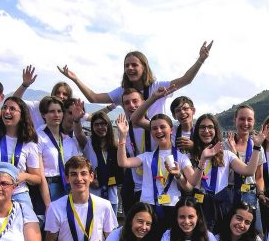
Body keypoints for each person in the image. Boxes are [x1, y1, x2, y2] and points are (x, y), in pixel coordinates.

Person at [58, 43, 212, 117]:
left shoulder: (158, 87)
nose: (130, 68)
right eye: (126, 66)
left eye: (134, 65)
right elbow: (94, 97)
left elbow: (186, 80)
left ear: (144, 67)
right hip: (135, 143)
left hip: (157, 137)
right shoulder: (123, 92)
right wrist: (76, 79)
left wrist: (200, 60)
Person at [116, 113, 195, 231]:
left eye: (162, 127)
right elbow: (123, 162)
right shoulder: (146, 157)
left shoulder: (182, 158)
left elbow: (190, 187)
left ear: (171, 129)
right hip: (148, 207)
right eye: (154, 128)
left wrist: (179, 175)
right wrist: (122, 136)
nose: (158, 131)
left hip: (171, 207)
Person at [188, 114, 264, 231]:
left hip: (223, 206)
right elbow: (194, 182)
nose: (206, 131)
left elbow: (249, 171)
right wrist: (203, 158)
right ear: (197, 130)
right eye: (202, 127)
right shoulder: (190, 156)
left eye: (210, 127)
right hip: (201, 205)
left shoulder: (227, 155)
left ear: (216, 130)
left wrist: (257, 146)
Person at [227, 105, 267, 233]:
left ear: (254, 121)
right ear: (235, 120)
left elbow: (259, 177)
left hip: (250, 194)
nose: (245, 123)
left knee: (255, 232)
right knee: (229, 230)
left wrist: (260, 193)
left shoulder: (258, 147)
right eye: (242, 119)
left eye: (249, 119)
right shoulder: (224, 145)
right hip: (230, 192)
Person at [36, 96, 82, 206]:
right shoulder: (38, 138)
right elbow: (40, 174)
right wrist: (48, 205)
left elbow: (77, 164)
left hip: (68, 185)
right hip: (48, 186)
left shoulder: (68, 140)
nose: (56, 115)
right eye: (52, 111)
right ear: (43, 115)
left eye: (59, 111)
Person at [119, 88, 151, 216]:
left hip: (155, 185)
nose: (131, 105)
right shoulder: (125, 129)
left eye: (135, 101)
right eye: (127, 103)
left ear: (143, 102)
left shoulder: (154, 126)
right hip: (136, 185)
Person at [84, 110, 122, 209]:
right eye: (96, 124)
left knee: (111, 225)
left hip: (112, 198)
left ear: (108, 125)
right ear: (92, 127)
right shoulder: (88, 143)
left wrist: (123, 134)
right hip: (93, 196)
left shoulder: (116, 146)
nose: (100, 127)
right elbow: (79, 133)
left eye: (103, 124)